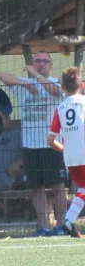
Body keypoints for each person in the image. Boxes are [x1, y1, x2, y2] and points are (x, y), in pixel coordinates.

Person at [0, 51, 66, 236]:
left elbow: (53, 91)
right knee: (36, 187)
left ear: (50, 65)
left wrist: (35, 75)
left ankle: (61, 226)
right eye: (38, 61)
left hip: (51, 145)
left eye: (45, 61)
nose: (41, 64)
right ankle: (43, 227)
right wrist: (25, 83)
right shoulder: (23, 84)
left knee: (57, 187)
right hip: (30, 146)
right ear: (33, 62)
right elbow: (2, 76)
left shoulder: (56, 83)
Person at [48, 66, 85, 238]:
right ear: (82, 85)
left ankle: (69, 221)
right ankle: (69, 221)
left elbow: (50, 141)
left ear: (62, 87)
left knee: (83, 188)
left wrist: (65, 149)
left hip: (70, 158)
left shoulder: (60, 108)